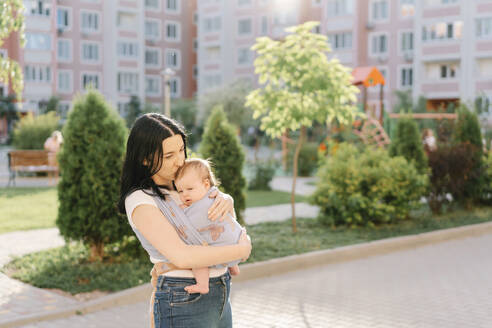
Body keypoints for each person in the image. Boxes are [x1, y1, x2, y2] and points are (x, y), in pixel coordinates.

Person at [118, 113, 251, 328]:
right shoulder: (141, 199)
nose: (180, 160)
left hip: (221, 289)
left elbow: (219, 229)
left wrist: (228, 202)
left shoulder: (187, 185)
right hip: (183, 296)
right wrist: (242, 251)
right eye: (169, 155)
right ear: (144, 158)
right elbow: (183, 256)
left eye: (181, 150)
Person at [174, 158, 241, 295]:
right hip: (235, 240)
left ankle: (202, 284)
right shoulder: (216, 195)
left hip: (223, 246)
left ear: (205, 184)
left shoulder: (201, 206)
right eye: (180, 191)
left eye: (190, 189)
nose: (184, 194)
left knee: (198, 255)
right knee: (220, 238)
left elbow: (187, 226)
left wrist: (182, 211)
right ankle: (233, 266)